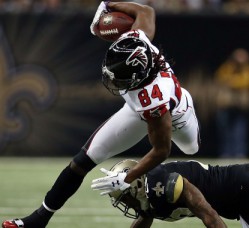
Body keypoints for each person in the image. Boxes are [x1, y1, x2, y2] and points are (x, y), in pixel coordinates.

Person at [2, 1, 201, 228]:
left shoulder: (154, 99)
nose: (111, 78)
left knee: (191, 148)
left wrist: (128, 177)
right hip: (136, 111)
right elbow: (146, 11)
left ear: (136, 78)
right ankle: (37, 220)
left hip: (175, 116)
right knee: (81, 162)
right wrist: (110, 4)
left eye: (119, 77)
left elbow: (161, 150)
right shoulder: (135, 39)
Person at [92, 159, 249, 228]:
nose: (127, 204)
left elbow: (207, 214)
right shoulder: (150, 198)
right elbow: (145, 217)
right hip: (243, 209)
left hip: (247, 182)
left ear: (137, 186)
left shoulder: (158, 181)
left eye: (125, 197)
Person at [214, 48, 249, 158]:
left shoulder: (247, 70)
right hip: (226, 105)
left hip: (240, 106)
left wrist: (231, 82)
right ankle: (226, 154)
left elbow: (245, 82)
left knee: (239, 132)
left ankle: (239, 154)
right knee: (225, 131)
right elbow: (219, 78)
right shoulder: (227, 68)